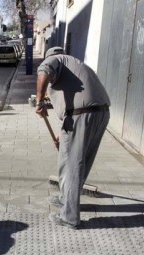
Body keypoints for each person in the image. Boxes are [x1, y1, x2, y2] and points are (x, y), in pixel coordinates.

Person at [35, 47, 111, 229]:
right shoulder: (76, 65)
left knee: (71, 163)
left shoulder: (55, 60)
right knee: (80, 159)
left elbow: (44, 71)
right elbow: (71, 102)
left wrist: (40, 102)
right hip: (100, 113)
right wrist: (62, 134)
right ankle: (65, 199)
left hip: (81, 116)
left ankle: (69, 217)